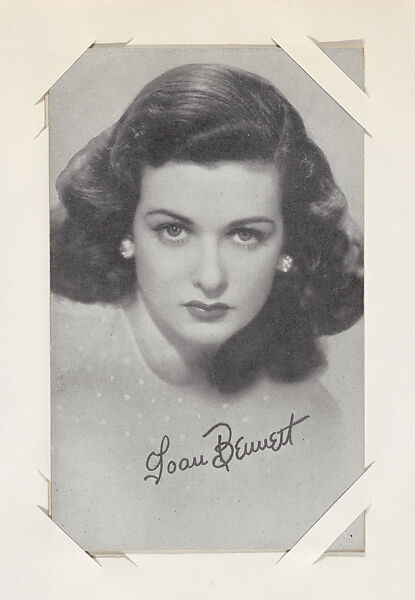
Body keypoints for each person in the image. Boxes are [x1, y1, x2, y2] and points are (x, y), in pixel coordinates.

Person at [50, 63, 364, 553]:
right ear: (127, 230)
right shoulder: (52, 382)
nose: (211, 277)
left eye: (245, 235)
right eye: (173, 230)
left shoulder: (313, 417)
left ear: (287, 245)